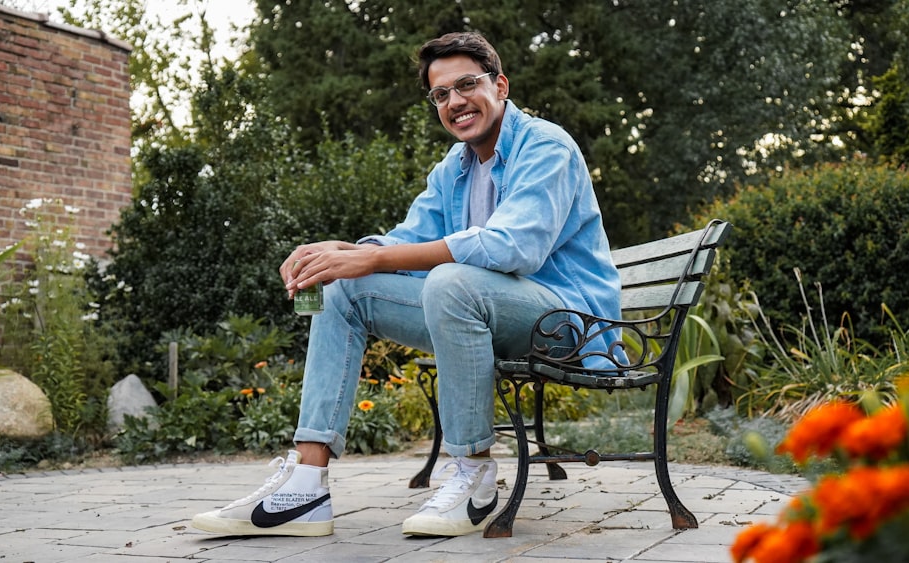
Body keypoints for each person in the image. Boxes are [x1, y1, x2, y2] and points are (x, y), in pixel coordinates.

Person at [191, 30, 621, 538]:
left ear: (500, 86)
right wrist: (342, 253)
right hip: (480, 308)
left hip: (566, 324)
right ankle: (306, 485)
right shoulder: (453, 170)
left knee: (451, 281)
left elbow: (512, 249)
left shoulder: (546, 146)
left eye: (466, 85)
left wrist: (372, 260)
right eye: (441, 94)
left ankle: (473, 475)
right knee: (342, 288)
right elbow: (405, 244)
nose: (455, 102)